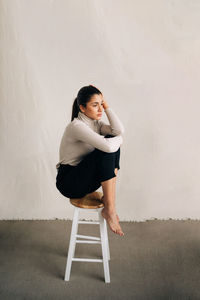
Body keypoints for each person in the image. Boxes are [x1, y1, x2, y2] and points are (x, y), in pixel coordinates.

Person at [55, 85, 125, 236]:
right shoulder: (76, 126)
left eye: (101, 104)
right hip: (69, 182)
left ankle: (109, 202)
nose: (100, 109)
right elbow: (110, 144)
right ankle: (110, 210)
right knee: (108, 146)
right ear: (82, 108)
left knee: (111, 142)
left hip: (85, 179)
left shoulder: (97, 124)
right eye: (95, 105)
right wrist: (119, 140)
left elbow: (119, 130)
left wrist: (105, 104)